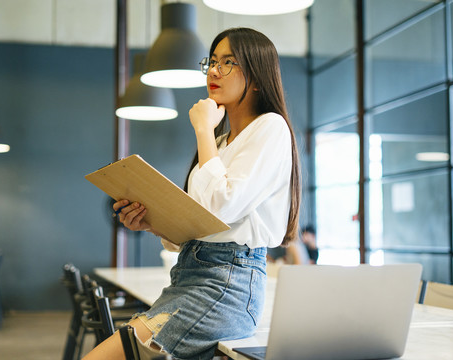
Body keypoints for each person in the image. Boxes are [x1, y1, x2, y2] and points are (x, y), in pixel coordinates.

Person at [83, 27, 301, 360]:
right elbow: (201, 223)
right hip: (190, 278)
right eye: (212, 61)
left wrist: (203, 128)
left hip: (227, 286)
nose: (214, 70)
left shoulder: (269, 126)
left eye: (228, 62)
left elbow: (221, 205)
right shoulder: (221, 143)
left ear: (256, 77)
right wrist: (151, 223)